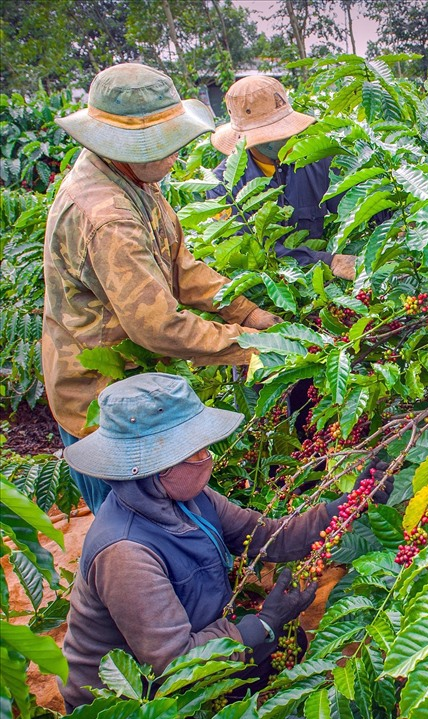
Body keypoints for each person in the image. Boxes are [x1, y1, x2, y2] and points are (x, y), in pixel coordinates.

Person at [58, 372, 392, 713]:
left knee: (285, 644)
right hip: (132, 700)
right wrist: (264, 622)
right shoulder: (125, 552)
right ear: (154, 466)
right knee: (266, 643)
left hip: (192, 647)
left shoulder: (190, 499)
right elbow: (176, 661)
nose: (207, 456)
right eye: (194, 450)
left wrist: (348, 504)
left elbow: (265, 536)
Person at [43, 63, 283, 515]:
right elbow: (158, 326)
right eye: (167, 145)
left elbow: (180, 265)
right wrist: (256, 346)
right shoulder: (107, 217)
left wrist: (248, 312)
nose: (176, 156)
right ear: (127, 146)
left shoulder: (132, 178)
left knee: (175, 523)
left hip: (138, 385)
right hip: (103, 400)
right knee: (137, 533)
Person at [207, 75, 357, 279]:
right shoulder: (222, 185)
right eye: (273, 134)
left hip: (321, 286)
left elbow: (354, 202)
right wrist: (328, 261)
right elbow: (244, 249)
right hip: (263, 289)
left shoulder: (315, 160)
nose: (285, 138)